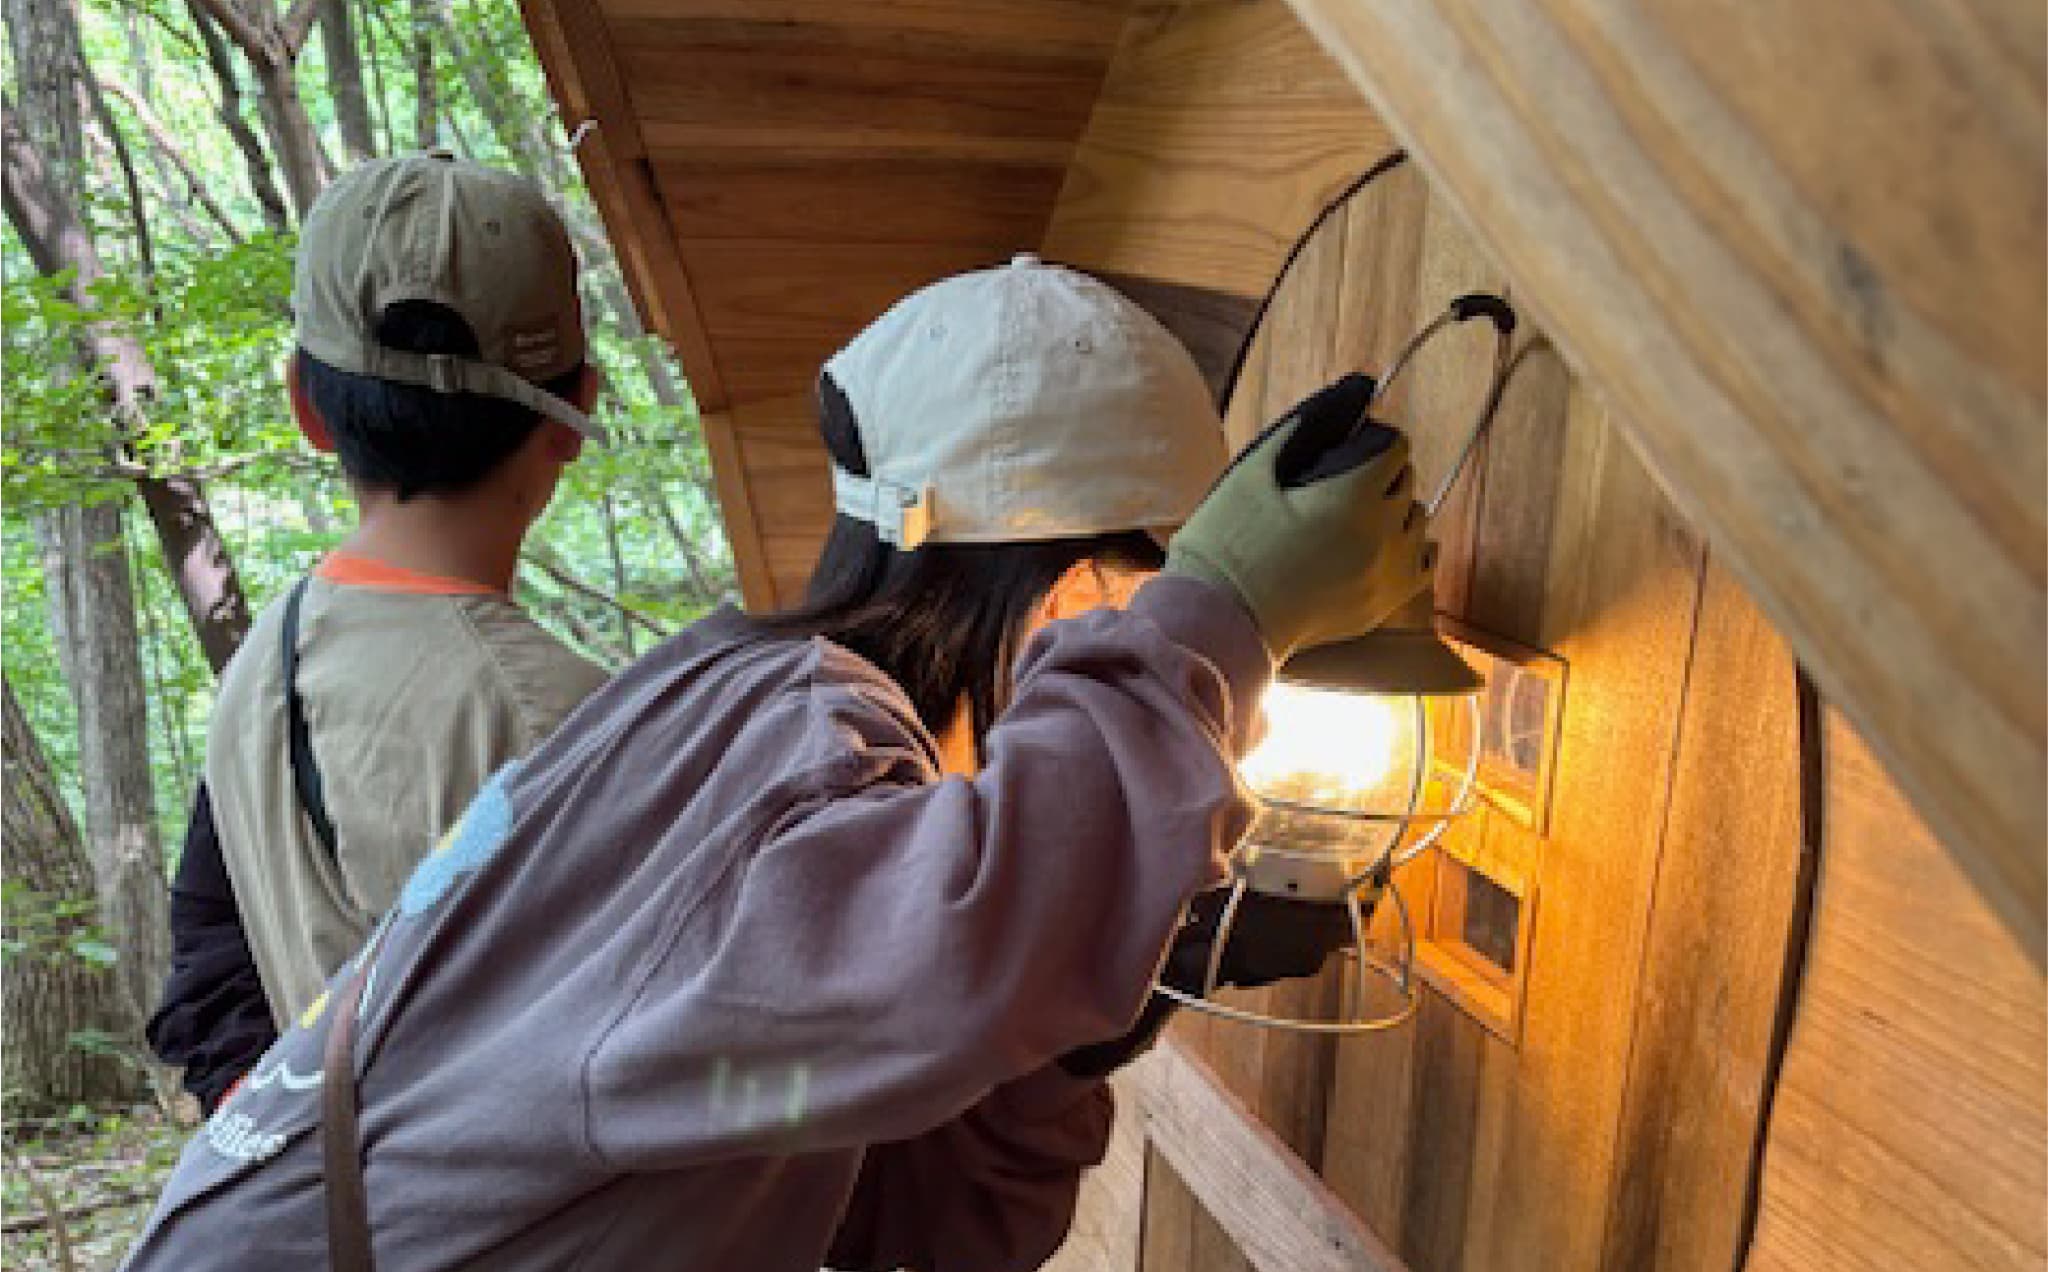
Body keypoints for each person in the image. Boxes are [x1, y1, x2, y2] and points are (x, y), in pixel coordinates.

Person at [121, 256, 1429, 1271]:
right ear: (1080, 586)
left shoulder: (765, 721)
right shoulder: (789, 751)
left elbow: (906, 1229)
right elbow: (966, 953)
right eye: (1135, 612)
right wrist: (1219, 623)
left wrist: (1092, 1023)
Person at [144, 150, 612, 1110]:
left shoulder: (263, 664)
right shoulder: (577, 724)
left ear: (306, 405)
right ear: (577, 410)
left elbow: (208, 965)